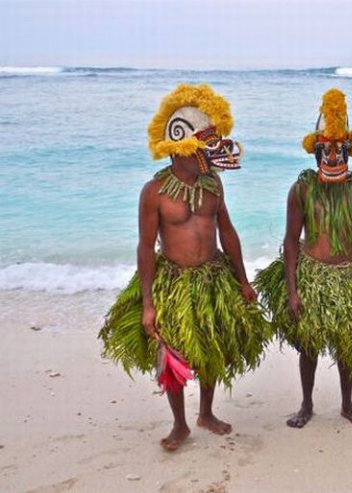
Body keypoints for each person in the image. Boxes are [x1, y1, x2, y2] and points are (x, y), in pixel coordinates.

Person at [99, 84, 272, 450]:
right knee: (173, 353)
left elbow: (228, 232)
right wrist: (148, 303)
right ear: (181, 149)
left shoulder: (214, 184)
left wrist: (243, 281)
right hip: (174, 281)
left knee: (211, 345)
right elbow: (146, 247)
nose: (209, 154)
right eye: (202, 148)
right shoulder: (155, 191)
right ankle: (180, 424)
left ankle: (206, 413)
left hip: (213, 277)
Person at [254, 88, 352, 428]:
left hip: (349, 275)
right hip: (312, 275)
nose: (333, 158)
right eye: (326, 150)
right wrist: (293, 291)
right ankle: (306, 405)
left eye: (339, 150)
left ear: (349, 150)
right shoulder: (302, 189)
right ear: (315, 151)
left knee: (347, 344)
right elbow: (291, 241)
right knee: (309, 345)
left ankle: (348, 405)